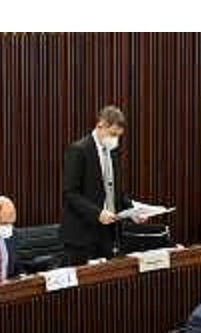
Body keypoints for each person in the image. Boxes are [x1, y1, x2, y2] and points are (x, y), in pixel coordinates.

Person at [61, 105, 147, 265]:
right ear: (101, 125)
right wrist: (98, 213)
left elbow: (115, 191)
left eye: (118, 136)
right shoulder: (79, 150)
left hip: (107, 233)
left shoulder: (112, 151)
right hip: (82, 235)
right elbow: (70, 193)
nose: (116, 140)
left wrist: (132, 211)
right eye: (113, 134)